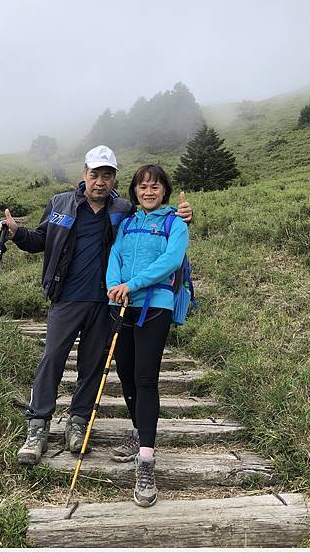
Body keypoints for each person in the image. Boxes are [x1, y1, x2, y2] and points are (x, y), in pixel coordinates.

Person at [0, 146, 193, 465]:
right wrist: (18, 233)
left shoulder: (123, 209)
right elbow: (39, 241)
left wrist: (186, 215)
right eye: (95, 174)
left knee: (91, 366)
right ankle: (37, 427)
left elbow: (156, 217)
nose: (100, 181)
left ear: (114, 179)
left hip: (105, 303)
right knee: (52, 360)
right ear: (84, 174)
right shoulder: (60, 204)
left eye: (107, 175)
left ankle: (79, 423)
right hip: (66, 298)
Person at [106, 164, 189, 507]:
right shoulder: (128, 223)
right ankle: (139, 429)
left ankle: (146, 461)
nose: (149, 191)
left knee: (145, 379)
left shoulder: (176, 223)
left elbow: (172, 261)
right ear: (135, 191)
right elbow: (114, 256)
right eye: (142, 186)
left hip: (155, 307)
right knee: (124, 373)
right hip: (122, 305)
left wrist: (133, 284)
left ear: (165, 191)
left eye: (155, 186)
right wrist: (113, 285)